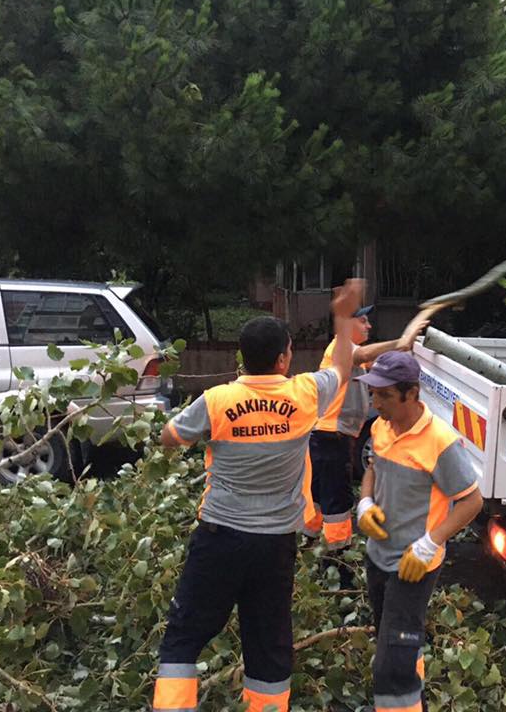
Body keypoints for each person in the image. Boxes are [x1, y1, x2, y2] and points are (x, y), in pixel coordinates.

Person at [151, 279, 363, 712]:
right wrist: (342, 317)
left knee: (184, 637)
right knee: (268, 646)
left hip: (219, 538)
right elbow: (342, 367)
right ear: (284, 358)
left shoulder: (218, 400)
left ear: (242, 357)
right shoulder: (304, 394)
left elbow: (169, 437)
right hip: (274, 546)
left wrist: (208, 430)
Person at [354, 351, 484, 712]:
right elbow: (372, 469)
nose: (375, 403)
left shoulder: (440, 442)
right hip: (377, 557)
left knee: (391, 669)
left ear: (411, 394)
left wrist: (430, 543)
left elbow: (472, 501)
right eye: (373, 393)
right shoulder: (381, 427)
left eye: (385, 395)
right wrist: (364, 502)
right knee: (396, 647)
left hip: (412, 568)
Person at [304, 306, 428, 562]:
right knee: (337, 502)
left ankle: (308, 544)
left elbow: (381, 361)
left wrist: (408, 345)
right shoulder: (340, 347)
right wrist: (401, 341)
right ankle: (339, 559)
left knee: (320, 496)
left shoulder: (352, 355)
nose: (369, 326)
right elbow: (364, 354)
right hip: (331, 437)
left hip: (328, 437)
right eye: (363, 321)